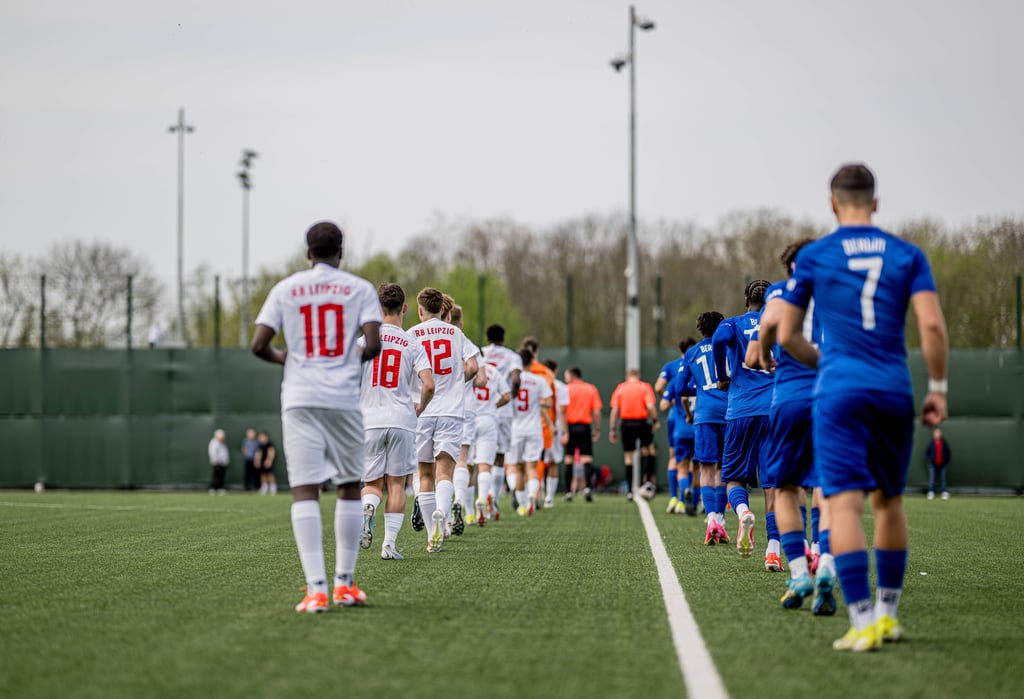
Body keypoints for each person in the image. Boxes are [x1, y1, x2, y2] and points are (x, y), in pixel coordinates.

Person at [779, 162, 948, 651]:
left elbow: (788, 335)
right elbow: (932, 328)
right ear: (875, 203)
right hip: (894, 388)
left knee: (845, 502)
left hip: (839, 391)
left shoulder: (814, 256)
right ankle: (890, 615)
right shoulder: (908, 254)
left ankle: (861, 620)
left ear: (833, 204)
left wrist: (826, 361)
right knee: (889, 500)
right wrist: (938, 387)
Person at [251, 220, 383, 613]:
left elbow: (259, 344)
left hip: (299, 396)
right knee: (348, 486)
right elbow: (373, 344)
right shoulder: (359, 288)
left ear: (308, 253)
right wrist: (343, 362)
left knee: (305, 489)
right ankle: (345, 584)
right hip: (342, 397)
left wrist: (285, 358)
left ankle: (316, 590)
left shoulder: (286, 288)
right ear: (341, 252)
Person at [750, 238, 838, 614]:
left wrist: (768, 356)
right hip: (835, 394)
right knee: (827, 486)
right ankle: (827, 563)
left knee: (785, 487)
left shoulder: (782, 291)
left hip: (789, 395)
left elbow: (762, 340)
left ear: (789, 267)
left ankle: (800, 571)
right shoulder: (841, 292)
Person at [359, 283, 434, 561]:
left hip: (370, 419)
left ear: (378, 309)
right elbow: (428, 384)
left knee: (372, 483)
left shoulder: (363, 341)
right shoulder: (413, 342)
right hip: (402, 419)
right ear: (404, 308)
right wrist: (420, 408)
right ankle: (388, 545)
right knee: (396, 485)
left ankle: (368, 507)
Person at [713, 279, 780, 569]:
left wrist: (722, 374)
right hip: (776, 410)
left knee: (733, 479)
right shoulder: (781, 323)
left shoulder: (733, 323)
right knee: (773, 484)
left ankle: (742, 514)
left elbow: (717, 340)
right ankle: (774, 552)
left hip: (741, 408)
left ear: (746, 299)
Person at [409, 287, 479, 553]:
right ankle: (442, 511)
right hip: (451, 411)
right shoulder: (456, 333)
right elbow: (473, 366)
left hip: (421, 409)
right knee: (445, 471)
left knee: (423, 473)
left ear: (420, 310)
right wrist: (456, 384)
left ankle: (432, 536)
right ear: (443, 310)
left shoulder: (412, 333)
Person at [673, 312, 730, 545]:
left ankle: (711, 520)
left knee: (706, 468)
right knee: (725, 469)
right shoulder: (729, 347)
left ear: (700, 330)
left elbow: (679, 388)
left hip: (704, 414)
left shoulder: (691, 353)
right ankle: (721, 520)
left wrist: (700, 391)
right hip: (729, 412)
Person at [481, 324, 523, 519]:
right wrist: (510, 397)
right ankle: (493, 501)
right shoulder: (512, 356)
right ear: (503, 338)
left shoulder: (481, 353)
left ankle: (475, 500)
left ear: (487, 338)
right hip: (503, 409)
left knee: (478, 458)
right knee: (499, 457)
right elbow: (515, 380)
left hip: (481, 408)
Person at [508, 348, 553, 516]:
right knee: (532, 467)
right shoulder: (539, 380)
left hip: (515, 429)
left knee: (517, 468)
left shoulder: (511, 379)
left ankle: (521, 506)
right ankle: (532, 496)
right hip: (534, 428)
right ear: (531, 362)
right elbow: (548, 402)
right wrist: (536, 405)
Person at [471, 357, 511, 524]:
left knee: (464, 466)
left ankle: (466, 510)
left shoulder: (468, 369)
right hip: (488, 420)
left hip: (468, 418)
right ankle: (482, 497)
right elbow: (507, 396)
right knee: (485, 465)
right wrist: (493, 406)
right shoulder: (493, 372)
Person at [608, 368, 659, 500]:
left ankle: (630, 491)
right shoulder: (644, 387)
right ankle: (647, 483)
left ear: (627, 376)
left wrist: (612, 429)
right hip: (642, 423)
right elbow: (650, 406)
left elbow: (614, 411)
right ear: (639, 375)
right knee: (648, 451)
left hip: (626, 424)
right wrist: (655, 420)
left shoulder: (621, 388)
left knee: (628, 458)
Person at [654, 340, 689, 514]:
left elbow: (658, 387)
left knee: (674, 457)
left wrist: (670, 397)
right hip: (699, 417)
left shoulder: (672, 367)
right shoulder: (698, 361)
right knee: (698, 462)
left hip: (676, 416)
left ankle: (674, 497)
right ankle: (695, 500)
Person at [562, 366, 603, 502]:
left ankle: (568, 492)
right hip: (585, 427)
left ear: (572, 376)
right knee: (586, 459)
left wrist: (565, 431)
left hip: (570, 427)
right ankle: (587, 488)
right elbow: (596, 412)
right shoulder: (591, 389)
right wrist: (596, 429)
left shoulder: (566, 389)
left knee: (569, 459)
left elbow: (562, 411)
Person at [925, 428, 951, 500]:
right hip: (933, 464)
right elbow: (927, 453)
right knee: (932, 479)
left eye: (938, 433)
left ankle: (943, 492)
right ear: (934, 434)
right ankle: (931, 492)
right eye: (936, 433)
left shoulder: (944, 443)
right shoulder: (931, 443)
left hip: (942, 464)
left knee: (942, 479)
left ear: (941, 434)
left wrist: (945, 461)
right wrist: (929, 461)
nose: (937, 434)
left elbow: (948, 453)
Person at [255, 430, 277, 495]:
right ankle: (264, 488)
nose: (261, 439)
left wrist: (269, 461)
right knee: (262, 475)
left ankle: (273, 488)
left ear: (266, 437)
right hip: (261, 462)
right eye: (260, 437)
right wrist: (257, 461)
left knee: (270, 474)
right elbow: (259, 453)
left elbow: (271, 452)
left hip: (267, 462)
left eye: (262, 437)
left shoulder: (269, 444)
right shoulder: (260, 445)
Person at [208, 429, 229, 495]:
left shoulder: (222, 443)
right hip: (217, 463)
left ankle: (220, 488)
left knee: (221, 476)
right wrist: (216, 461)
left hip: (222, 463)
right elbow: (213, 453)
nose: (223, 438)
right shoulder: (214, 443)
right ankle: (213, 489)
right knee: (216, 476)